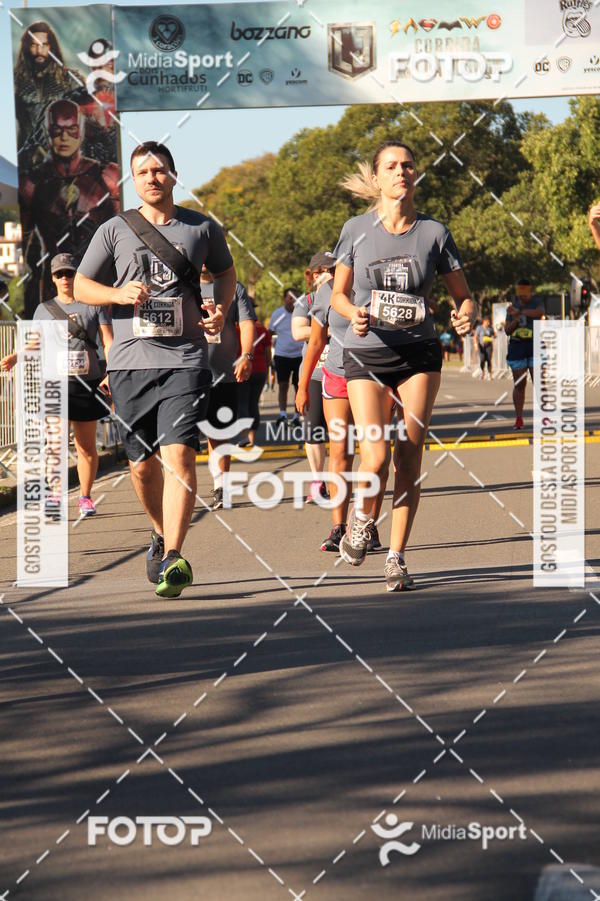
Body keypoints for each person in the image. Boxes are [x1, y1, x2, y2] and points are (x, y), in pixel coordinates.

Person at [73, 141, 236, 598]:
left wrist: (220, 310)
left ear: (174, 175)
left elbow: (226, 273)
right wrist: (118, 296)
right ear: (133, 180)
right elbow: (83, 285)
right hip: (129, 364)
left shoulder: (202, 227)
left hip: (184, 359)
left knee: (180, 454)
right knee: (141, 466)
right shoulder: (114, 230)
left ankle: (174, 556)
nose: (152, 177)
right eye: (143, 172)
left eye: (159, 170)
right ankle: (160, 532)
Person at [330, 141, 477, 591]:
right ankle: (361, 519)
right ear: (376, 178)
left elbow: (463, 294)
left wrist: (466, 313)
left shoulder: (434, 232)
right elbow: (338, 293)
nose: (401, 172)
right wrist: (352, 312)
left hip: (419, 354)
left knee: (408, 457)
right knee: (374, 456)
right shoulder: (355, 229)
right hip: (367, 352)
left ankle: (396, 557)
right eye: (391, 167)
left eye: (407, 165)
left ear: (415, 175)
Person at [0, 253, 113, 515]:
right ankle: (54, 495)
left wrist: (112, 372)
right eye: (59, 274)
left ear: (78, 275)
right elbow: (35, 343)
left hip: (87, 384)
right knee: (55, 444)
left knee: (86, 447)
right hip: (55, 385)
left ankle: (85, 497)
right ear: (53, 278)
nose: (65, 279)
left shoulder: (93, 305)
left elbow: (109, 340)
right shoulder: (44, 309)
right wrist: (17, 356)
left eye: (70, 273)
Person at [295, 256, 389, 552]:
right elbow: (316, 341)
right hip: (336, 375)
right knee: (341, 452)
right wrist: (302, 385)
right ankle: (339, 528)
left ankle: (368, 524)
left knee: (377, 453)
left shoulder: (378, 288)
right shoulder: (326, 293)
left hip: (376, 376)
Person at [19, 98, 120, 310]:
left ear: (81, 130)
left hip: (99, 283)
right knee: (54, 341)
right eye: (57, 130)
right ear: (47, 132)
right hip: (53, 284)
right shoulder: (33, 183)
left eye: (71, 129)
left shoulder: (106, 176)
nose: (64, 137)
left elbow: (122, 235)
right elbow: (26, 245)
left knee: (104, 340)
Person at [199, 265, 256, 510]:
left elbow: (246, 324)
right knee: (182, 439)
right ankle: (178, 489)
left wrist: (247, 355)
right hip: (187, 374)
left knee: (219, 433)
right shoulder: (183, 285)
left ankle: (221, 486)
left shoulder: (234, 287)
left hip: (223, 375)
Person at [291, 251, 334, 503]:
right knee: (313, 432)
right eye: (329, 270)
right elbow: (297, 332)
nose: (333, 275)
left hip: (344, 371)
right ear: (316, 274)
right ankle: (318, 481)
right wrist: (327, 330)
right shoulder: (306, 301)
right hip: (315, 372)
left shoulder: (345, 298)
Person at [505, 278, 545, 430]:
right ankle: (519, 418)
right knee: (520, 384)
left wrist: (521, 312)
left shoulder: (536, 302)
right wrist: (515, 319)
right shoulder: (512, 307)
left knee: (539, 382)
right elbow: (507, 330)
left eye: (525, 293)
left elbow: (540, 312)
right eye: (521, 293)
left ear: (530, 291)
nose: (523, 297)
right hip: (517, 347)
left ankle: (544, 417)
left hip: (535, 345)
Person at [269, 287, 304, 424]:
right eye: (290, 298)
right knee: (283, 386)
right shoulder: (277, 314)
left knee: (299, 386)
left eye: (295, 298)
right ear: (284, 299)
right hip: (282, 355)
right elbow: (270, 332)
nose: (293, 300)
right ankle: (283, 414)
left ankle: (296, 416)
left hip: (299, 355)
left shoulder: (302, 313)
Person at [237, 315, 271, 447]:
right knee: (253, 403)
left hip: (243, 369)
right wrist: (266, 369)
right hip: (260, 370)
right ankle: (252, 438)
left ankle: (244, 436)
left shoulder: (237, 328)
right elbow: (268, 353)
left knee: (243, 404)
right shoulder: (263, 330)